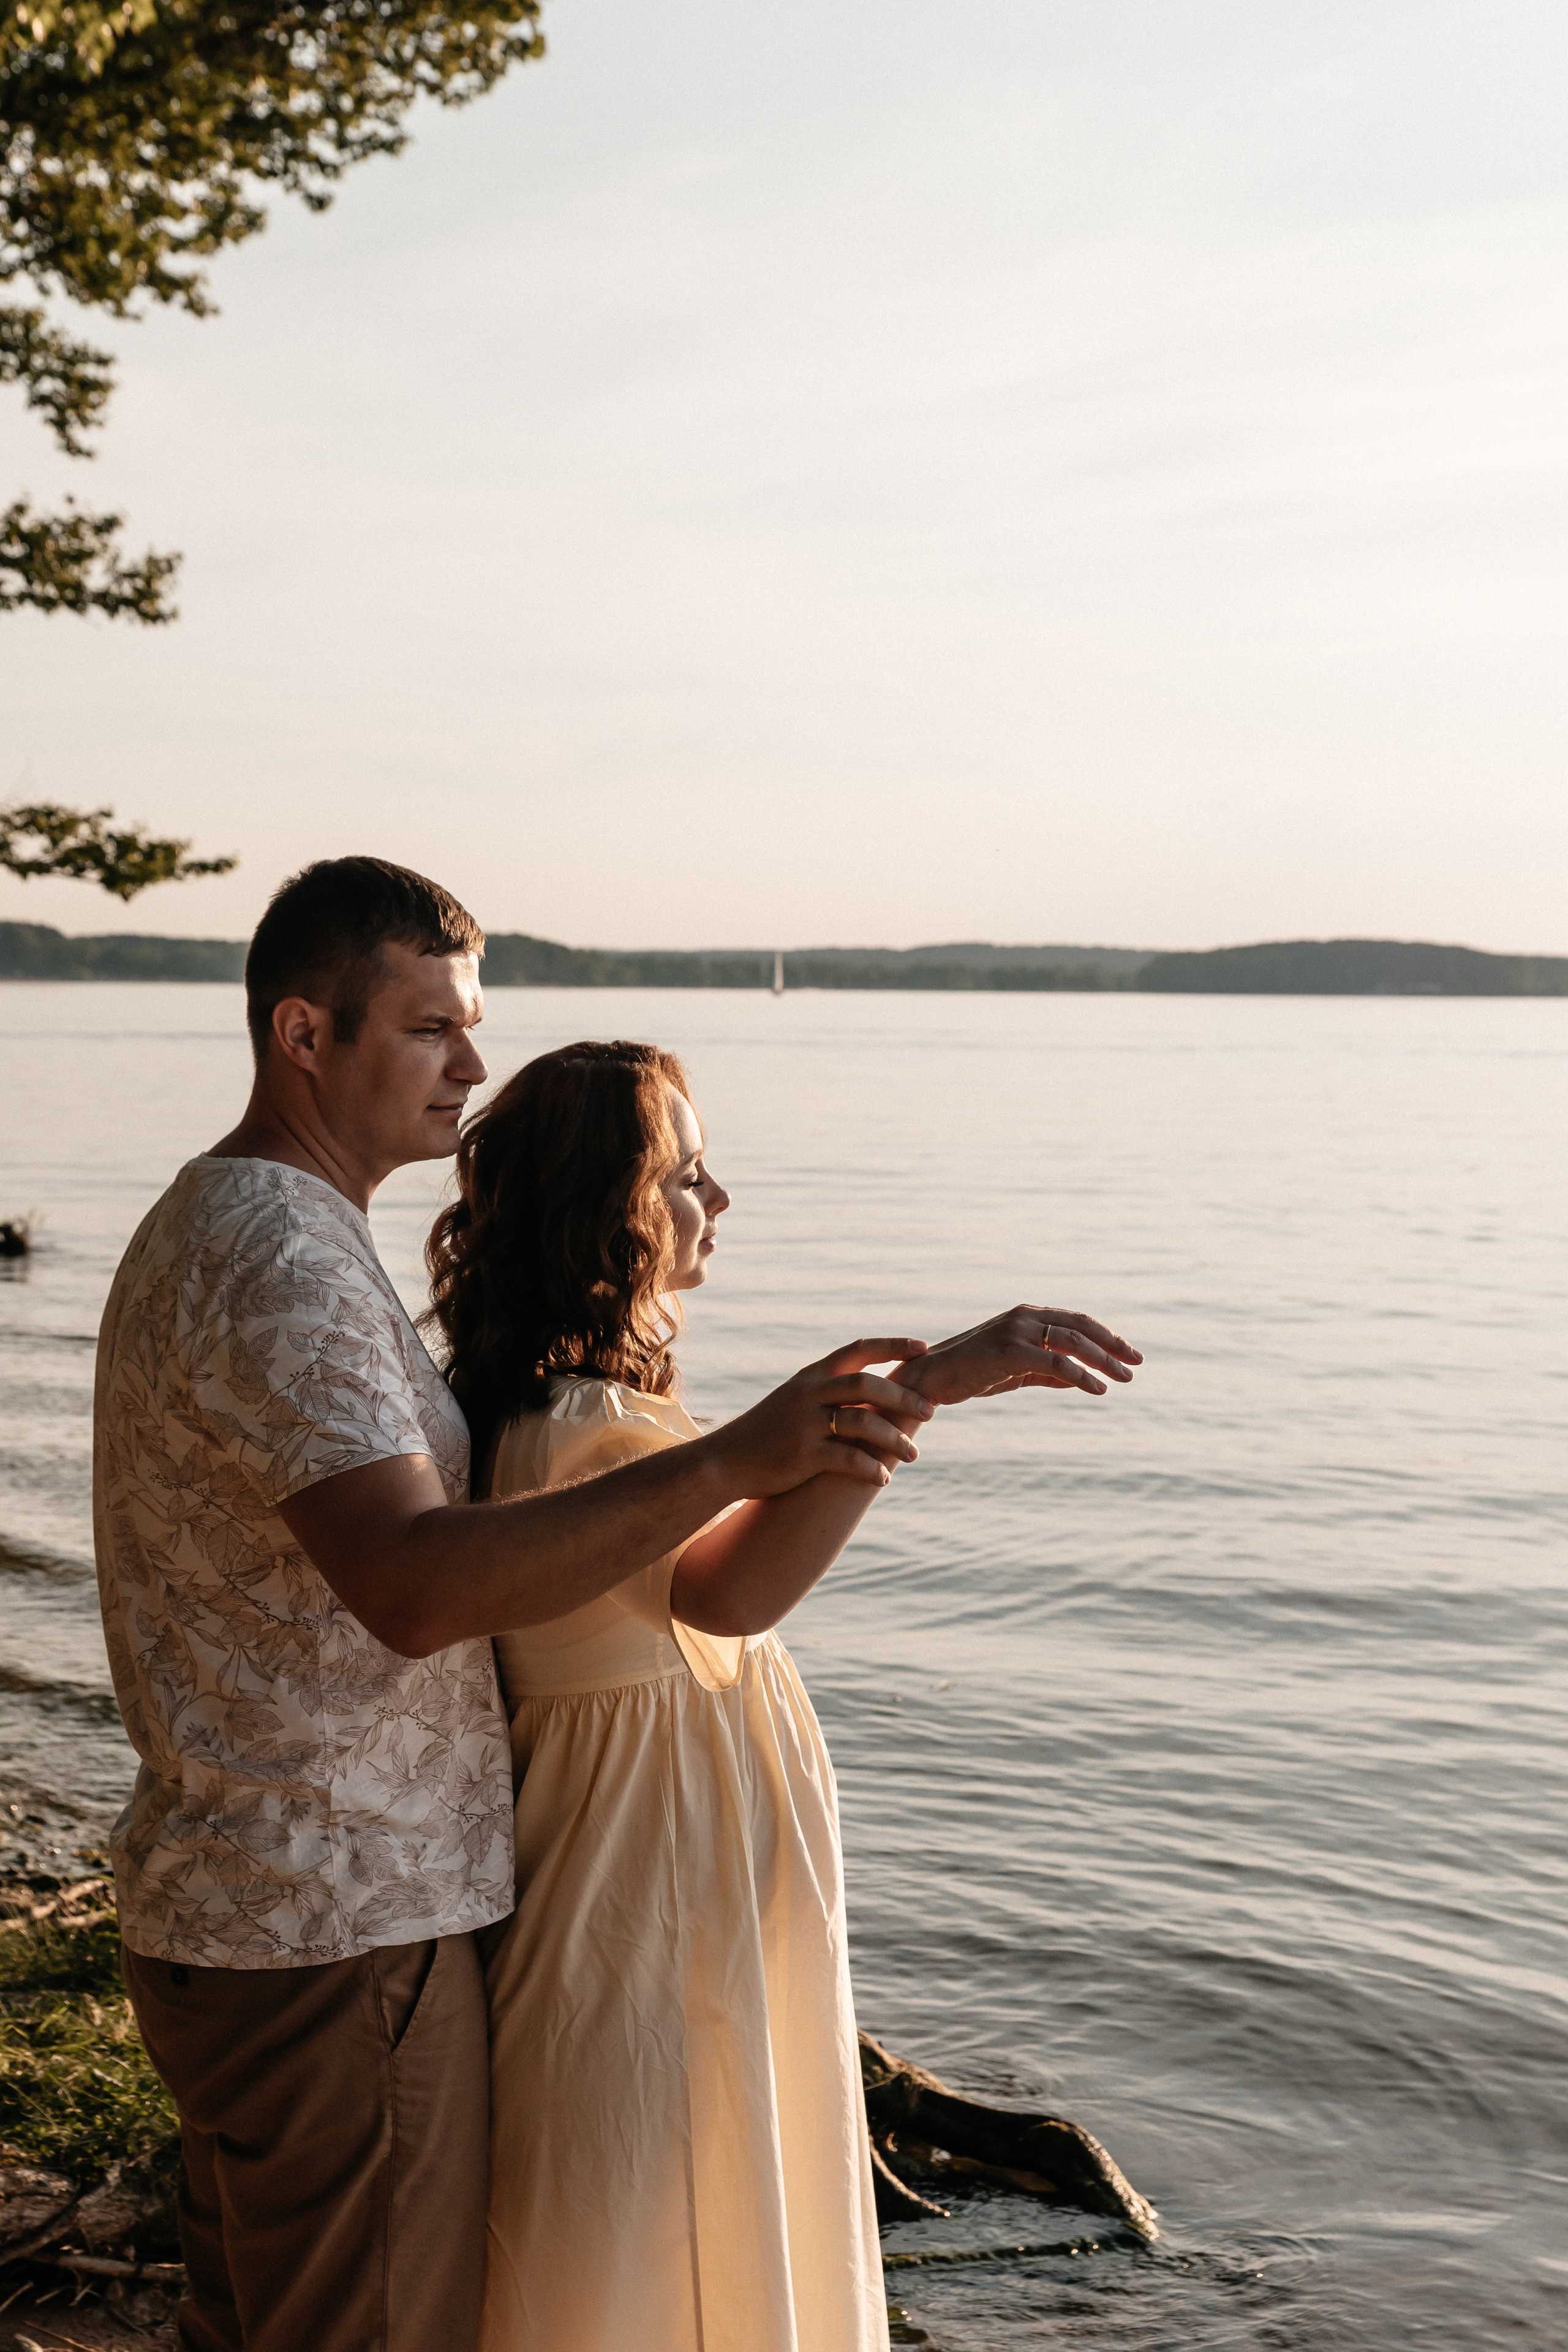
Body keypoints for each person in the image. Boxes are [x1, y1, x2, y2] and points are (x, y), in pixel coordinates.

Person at [93, 854, 1136, 2352]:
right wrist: (734, 1453)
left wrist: (866, 1414)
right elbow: (409, 1585)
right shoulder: (280, 1253)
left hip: (272, 1900)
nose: (467, 1066)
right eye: (426, 1029)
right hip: (332, 1919)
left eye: (472, 1028)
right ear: (300, 1035)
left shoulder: (261, 1233)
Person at [422, 1039, 1142, 2352]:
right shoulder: (589, 1426)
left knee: (644, 2202)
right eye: (689, 1175)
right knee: (666, 2194)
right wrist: (917, 1394)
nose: (721, 1201)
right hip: (651, 1878)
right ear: (611, 1211)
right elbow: (733, 1598)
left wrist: (891, 1400)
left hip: (630, 1855)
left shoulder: (535, 1406)